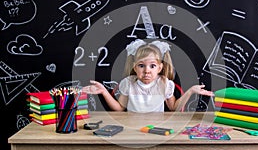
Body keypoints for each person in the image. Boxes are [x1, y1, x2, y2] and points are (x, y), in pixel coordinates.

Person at [82, 39, 214, 112]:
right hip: (132, 128)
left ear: (160, 67)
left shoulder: (164, 83)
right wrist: (104, 92)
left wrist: (190, 91)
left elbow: (173, 108)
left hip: (156, 128)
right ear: (135, 67)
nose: (147, 71)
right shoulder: (129, 83)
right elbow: (119, 109)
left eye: (152, 66)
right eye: (141, 66)